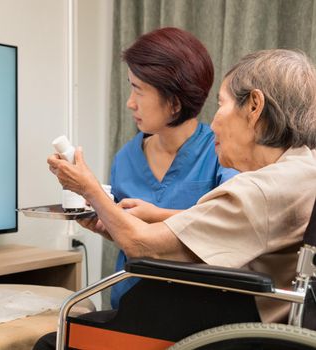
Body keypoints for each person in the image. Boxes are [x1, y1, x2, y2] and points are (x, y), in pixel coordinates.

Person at [47, 48, 316, 335]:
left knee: (58, 337)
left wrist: (87, 187)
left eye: (221, 105)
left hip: (223, 326)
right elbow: (209, 237)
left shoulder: (260, 190)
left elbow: (143, 245)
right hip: (238, 317)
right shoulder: (303, 168)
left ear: (253, 106)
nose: (213, 124)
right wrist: (112, 218)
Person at [105, 27, 238, 309]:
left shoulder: (220, 154)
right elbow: (130, 238)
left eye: (138, 90)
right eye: (130, 87)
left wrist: (155, 216)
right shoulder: (126, 158)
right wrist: (104, 222)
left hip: (197, 310)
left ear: (175, 102)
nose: (130, 103)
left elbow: (230, 226)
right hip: (130, 307)